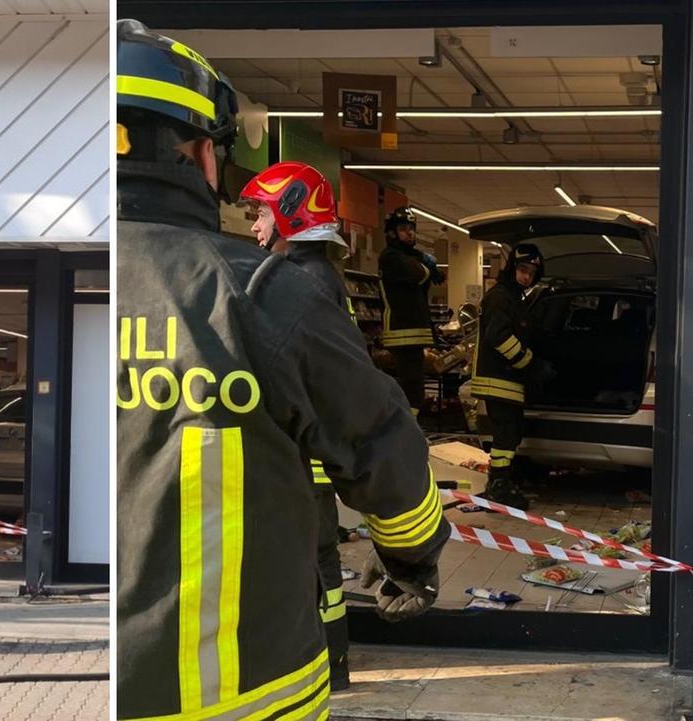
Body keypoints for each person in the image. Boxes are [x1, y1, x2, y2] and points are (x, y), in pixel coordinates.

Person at [116, 20, 448, 721]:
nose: (254, 225)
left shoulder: (62, 292)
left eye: (262, 214)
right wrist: (413, 554)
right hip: (251, 689)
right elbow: (377, 438)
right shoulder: (265, 292)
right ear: (203, 154)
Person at [239, 161, 354, 691]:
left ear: (290, 213)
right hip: (315, 454)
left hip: (302, 459)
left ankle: (328, 665)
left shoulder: (299, 281)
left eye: (261, 212)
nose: (255, 226)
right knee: (320, 566)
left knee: (316, 566)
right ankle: (332, 662)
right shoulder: (320, 275)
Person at [472, 243, 554, 510]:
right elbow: (498, 336)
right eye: (522, 270)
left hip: (507, 380)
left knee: (511, 432)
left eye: (530, 273)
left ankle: (502, 481)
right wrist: (529, 363)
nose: (526, 277)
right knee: (506, 434)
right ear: (512, 269)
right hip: (499, 379)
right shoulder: (501, 297)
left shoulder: (514, 298)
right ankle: (498, 486)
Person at [378, 207, 444, 416]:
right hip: (402, 329)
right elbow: (419, 274)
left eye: (412, 229)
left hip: (412, 329)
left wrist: (423, 261)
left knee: (414, 384)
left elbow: (436, 275)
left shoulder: (406, 255)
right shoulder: (390, 257)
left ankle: (409, 426)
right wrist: (424, 262)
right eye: (404, 228)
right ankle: (408, 428)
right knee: (411, 386)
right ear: (391, 232)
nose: (410, 233)